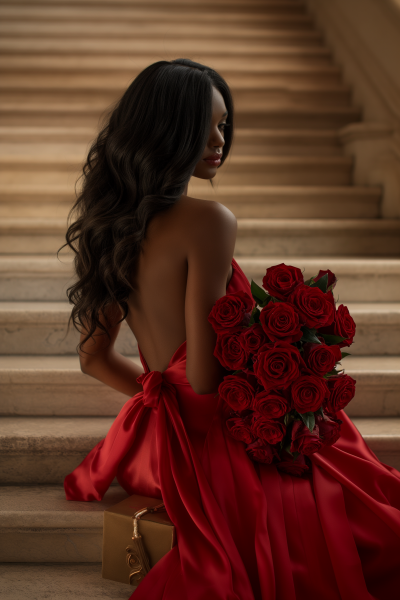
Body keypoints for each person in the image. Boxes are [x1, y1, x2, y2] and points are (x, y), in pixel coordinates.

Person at [63, 59, 400, 600]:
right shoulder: (210, 220)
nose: (220, 141)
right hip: (221, 433)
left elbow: (94, 360)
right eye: (207, 126)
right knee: (363, 503)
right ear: (169, 131)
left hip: (170, 440)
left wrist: (156, 399)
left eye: (225, 125)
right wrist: (277, 379)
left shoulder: (112, 229)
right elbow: (203, 376)